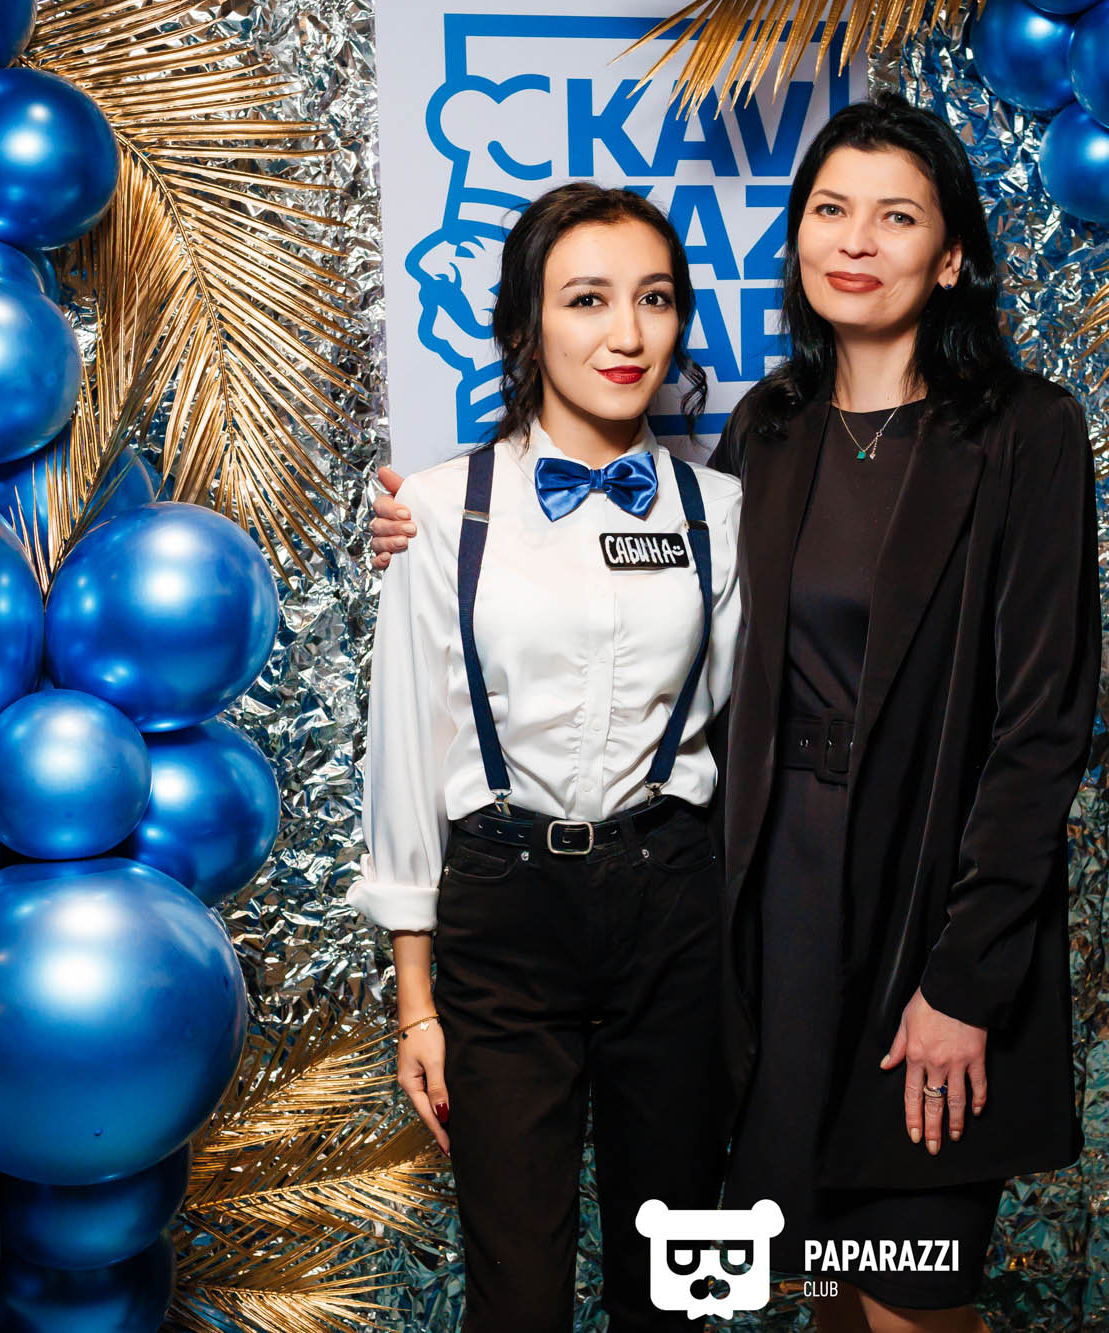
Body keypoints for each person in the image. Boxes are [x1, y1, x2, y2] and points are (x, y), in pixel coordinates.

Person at [372, 93, 1100, 1333]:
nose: (854, 240)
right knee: (803, 1272)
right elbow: (640, 616)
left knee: (911, 1277)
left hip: (922, 906)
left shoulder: (1024, 432)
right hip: (768, 921)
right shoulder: (766, 431)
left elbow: (1041, 727)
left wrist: (967, 978)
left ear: (951, 256)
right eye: (829, 209)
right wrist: (423, 523)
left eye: (896, 216)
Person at [351, 181, 742, 1333]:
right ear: (523, 328)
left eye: (654, 299)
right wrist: (415, 1004)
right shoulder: (435, 510)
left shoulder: (722, 512)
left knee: (674, 1284)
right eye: (586, 299)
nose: (626, 333)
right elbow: (405, 746)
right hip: (504, 911)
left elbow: (748, 719)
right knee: (516, 1290)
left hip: (674, 902)